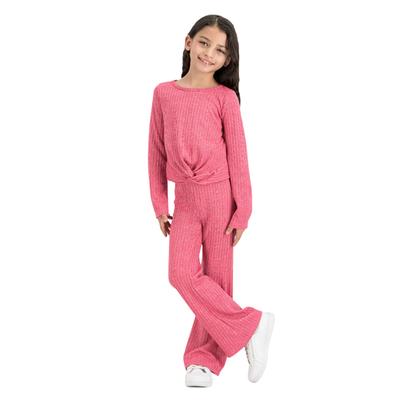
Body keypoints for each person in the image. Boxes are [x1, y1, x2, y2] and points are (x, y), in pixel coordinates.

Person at [147, 14, 275, 387]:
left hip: (221, 198)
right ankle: (252, 324)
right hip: (185, 201)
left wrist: (243, 210)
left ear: (228, 59)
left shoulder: (224, 98)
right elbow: (156, 152)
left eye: (220, 50)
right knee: (180, 274)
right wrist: (159, 204)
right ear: (188, 42)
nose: (209, 53)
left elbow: (238, 155)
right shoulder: (163, 93)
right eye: (204, 43)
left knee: (217, 281)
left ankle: (203, 361)